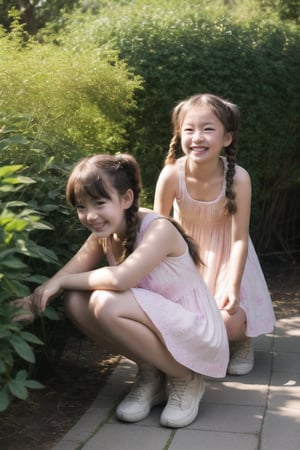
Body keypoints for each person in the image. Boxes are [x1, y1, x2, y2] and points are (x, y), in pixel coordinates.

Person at [16, 153, 229, 428]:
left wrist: (61, 282)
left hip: (196, 329)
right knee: (76, 302)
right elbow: (70, 272)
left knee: (105, 302)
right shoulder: (105, 236)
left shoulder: (158, 229)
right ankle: (152, 374)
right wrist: (33, 301)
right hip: (161, 324)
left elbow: (120, 280)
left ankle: (184, 378)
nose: (90, 215)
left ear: (126, 199)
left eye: (100, 203)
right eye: (82, 207)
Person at [154, 93, 276, 376]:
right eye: (189, 129)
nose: (197, 137)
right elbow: (158, 231)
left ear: (227, 138)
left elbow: (238, 239)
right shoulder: (171, 174)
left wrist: (232, 288)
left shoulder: (239, 179)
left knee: (227, 321)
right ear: (179, 135)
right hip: (185, 256)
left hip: (228, 258)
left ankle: (241, 340)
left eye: (208, 129)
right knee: (182, 321)